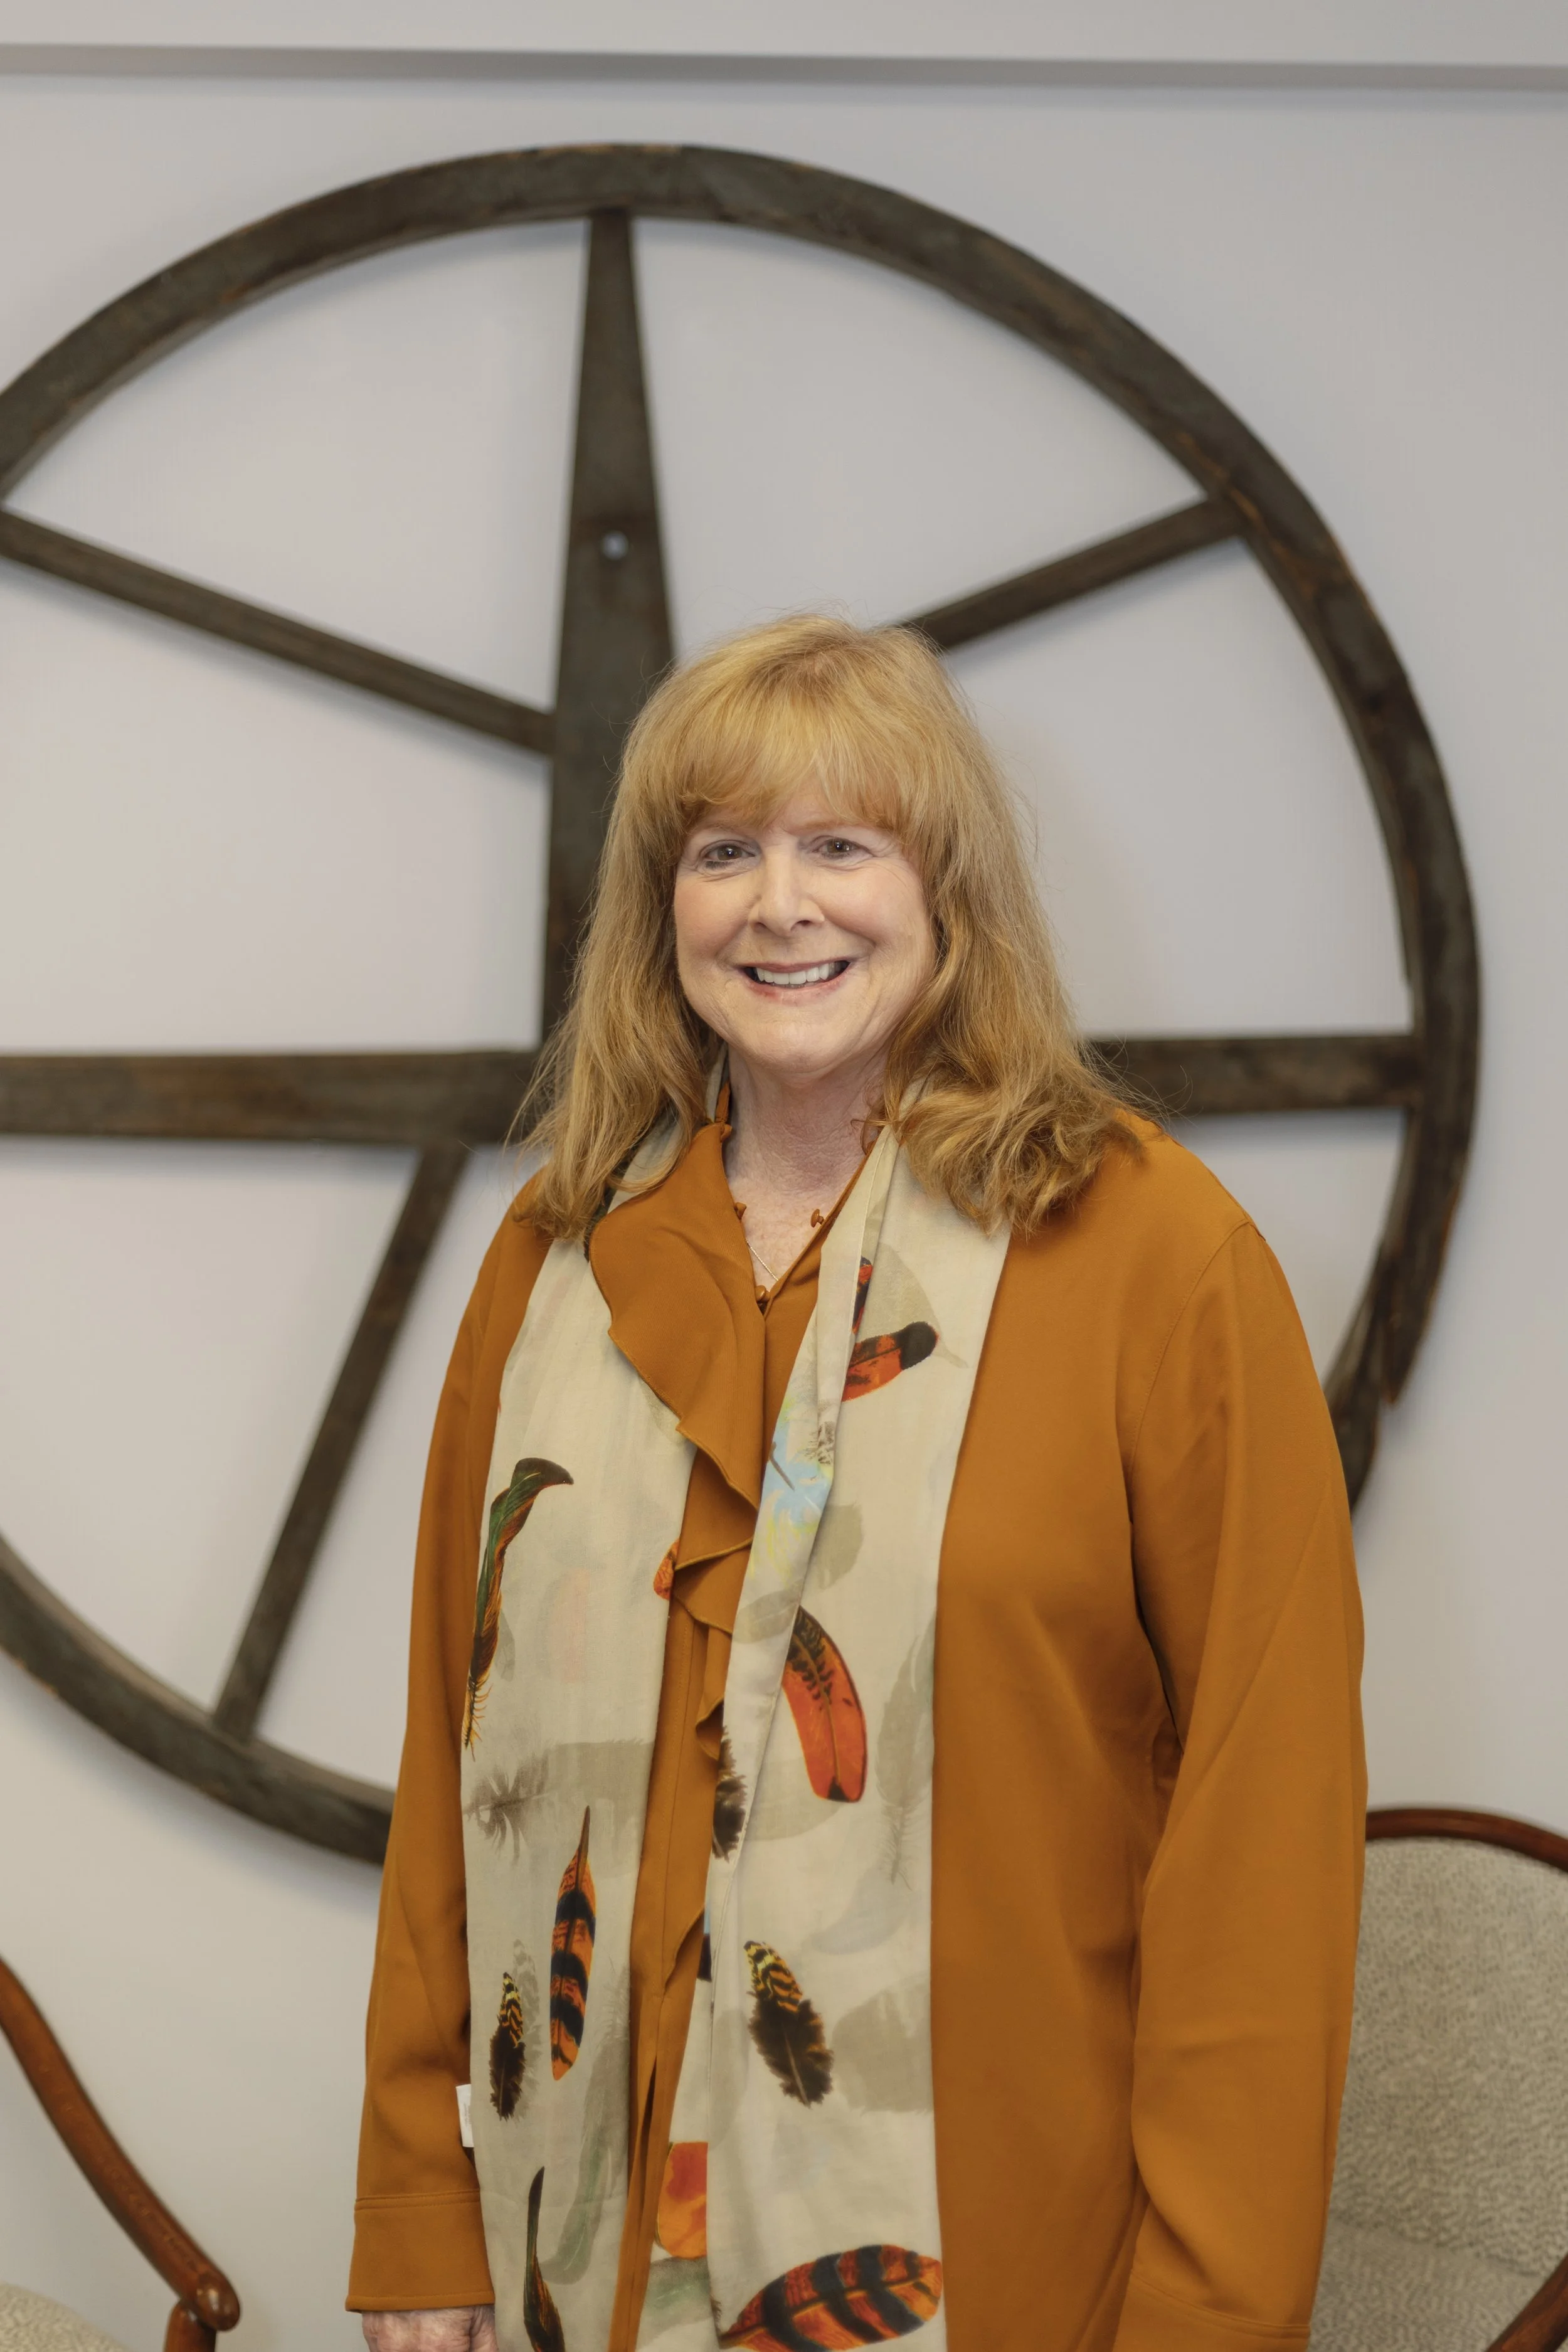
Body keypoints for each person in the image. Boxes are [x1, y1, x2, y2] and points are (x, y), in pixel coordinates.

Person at [349, 617, 1365, 2352]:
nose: (779, 904)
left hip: (1004, 2247)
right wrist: (417, 2211)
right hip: (574, 2253)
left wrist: (1212, 2312)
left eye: (841, 844)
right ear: (660, 908)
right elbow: (452, 1763)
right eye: (721, 851)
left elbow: (1264, 1827)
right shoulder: (553, 1256)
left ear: (948, 888)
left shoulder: (1151, 1253)